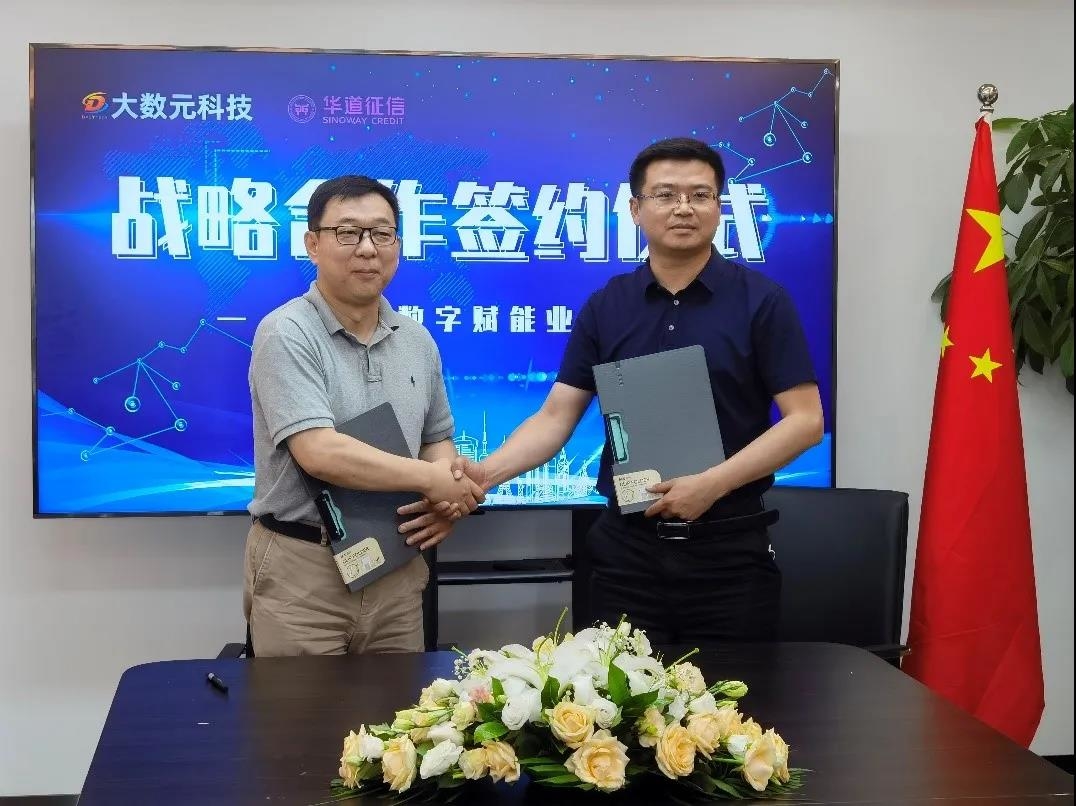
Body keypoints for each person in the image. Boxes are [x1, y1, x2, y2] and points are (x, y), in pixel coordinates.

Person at [457, 138, 823, 644]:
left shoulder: (762, 302)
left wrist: (711, 484)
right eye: (665, 194)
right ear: (635, 209)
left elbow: (806, 421)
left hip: (729, 551)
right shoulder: (608, 306)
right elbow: (555, 417)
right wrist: (486, 473)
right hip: (625, 553)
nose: (683, 208)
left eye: (700, 195)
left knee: (734, 693)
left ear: (719, 207)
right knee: (615, 692)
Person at [244, 174, 484, 656]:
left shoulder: (417, 340)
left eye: (382, 233)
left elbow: (436, 439)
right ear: (313, 244)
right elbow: (319, 452)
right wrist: (433, 480)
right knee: (300, 707)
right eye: (348, 233)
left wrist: (446, 502)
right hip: (305, 570)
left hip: (397, 563)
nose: (368, 249)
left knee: (401, 705)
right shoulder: (286, 332)